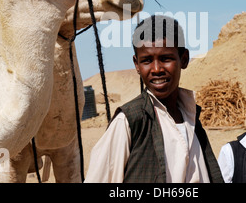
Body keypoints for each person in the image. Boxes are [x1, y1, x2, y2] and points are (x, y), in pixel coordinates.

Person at [84, 15, 223, 183]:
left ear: (184, 59)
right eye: (147, 61)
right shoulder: (129, 121)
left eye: (166, 58)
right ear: (137, 64)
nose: (156, 69)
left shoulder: (191, 117)